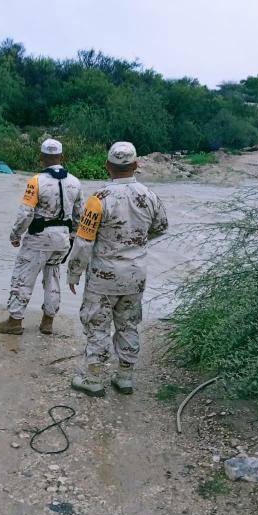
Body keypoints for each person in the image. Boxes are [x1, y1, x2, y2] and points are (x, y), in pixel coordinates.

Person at [66, 141, 168, 397]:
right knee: (128, 325)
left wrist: (74, 272)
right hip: (135, 274)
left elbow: (83, 241)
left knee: (98, 325)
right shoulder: (149, 196)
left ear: (107, 166)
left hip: (103, 277)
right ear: (136, 165)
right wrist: (135, 241)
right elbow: (161, 226)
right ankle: (124, 377)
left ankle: (93, 378)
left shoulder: (98, 199)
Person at [0, 139, 83, 335]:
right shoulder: (75, 182)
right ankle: (48, 322)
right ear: (62, 157)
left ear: (41, 157)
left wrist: (15, 234)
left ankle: (14, 321)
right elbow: (79, 217)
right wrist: (71, 237)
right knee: (53, 278)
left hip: (39, 238)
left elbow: (26, 213)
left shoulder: (36, 181)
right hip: (63, 240)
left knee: (23, 279)